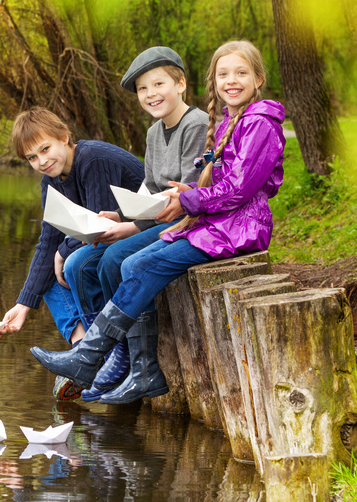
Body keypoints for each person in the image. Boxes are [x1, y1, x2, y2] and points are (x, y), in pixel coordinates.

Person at [30, 39, 285, 405]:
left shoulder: (257, 122)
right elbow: (197, 184)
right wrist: (135, 212)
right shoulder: (230, 120)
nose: (231, 80)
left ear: (258, 78)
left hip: (238, 227)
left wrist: (187, 198)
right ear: (213, 81)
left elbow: (239, 189)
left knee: (128, 261)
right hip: (216, 221)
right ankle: (131, 366)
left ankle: (100, 358)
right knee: (120, 261)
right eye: (223, 74)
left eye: (241, 73)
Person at [61, 46, 208, 401]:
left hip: (187, 219)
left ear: (181, 84)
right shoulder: (155, 132)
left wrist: (132, 228)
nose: (150, 94)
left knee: (115, 259)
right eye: (143, 89)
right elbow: (149, 186)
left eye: (159, 83)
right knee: (79, 264)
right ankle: (112, 353)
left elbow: (184, 196)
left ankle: (135, 361)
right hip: (153, 216)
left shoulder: (197, 124)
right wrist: (122, 216)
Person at [0, 108, 144, 400]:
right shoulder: (50, 182)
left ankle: (99, 353)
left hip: (141, 229)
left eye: (45, 149)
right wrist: (23, 305)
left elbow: (98, 223)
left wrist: (62, 252)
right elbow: (46, 242)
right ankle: (84, 350)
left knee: (75, 263)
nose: (42, 161)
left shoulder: (92, 158)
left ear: (64, 137)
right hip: (108, 237)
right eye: (32, 158)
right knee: (46, 281)